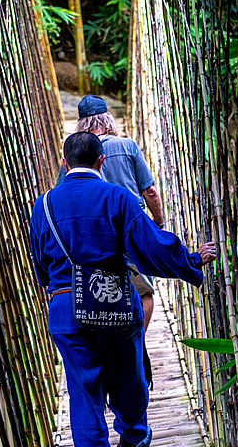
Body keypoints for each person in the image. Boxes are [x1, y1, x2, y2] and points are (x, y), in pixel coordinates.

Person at [30, 132, 216, 447]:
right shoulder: (117, 198)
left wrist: (60, 289)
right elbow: (150, 248)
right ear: (101, 162)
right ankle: (132, 434)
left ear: (64, 164)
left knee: (82, 388)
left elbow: (41, 266)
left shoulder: (43, 205)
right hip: (113, 303)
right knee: (128, 372)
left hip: (66, 309)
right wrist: (192, 260)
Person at [57, 94, 162, 333]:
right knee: (144, 292)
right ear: (108, 119)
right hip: (132, 230)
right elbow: (150, 191)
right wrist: (158, 221)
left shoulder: (74, 152)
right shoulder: (127, 146)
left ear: (82, 123)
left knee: (99, 294)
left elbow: (63, 194)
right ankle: (138, 342)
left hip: (90, 235)